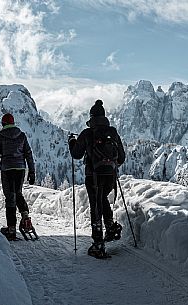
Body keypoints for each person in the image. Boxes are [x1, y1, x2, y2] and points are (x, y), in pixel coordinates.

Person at [69, 100, 125, 258]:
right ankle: (110, 226)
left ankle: (98, 243)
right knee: (102, 200)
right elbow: (122, 157)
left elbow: (76, 154)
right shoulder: (113, 132)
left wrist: (72, 143)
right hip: (110, 177)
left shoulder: (87, 133)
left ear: (91, 117)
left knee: (95, 206)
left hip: (93, 176)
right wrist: (111, 165)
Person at [0, 113, 36, 241]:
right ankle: (26, 218)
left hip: (7, 170)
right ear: (13, 123)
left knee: (10, 197)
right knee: (18, 193)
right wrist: (32, 172)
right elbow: (28, 154)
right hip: (20, 169)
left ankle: (11, 229)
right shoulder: (21, 136)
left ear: (3, 124)